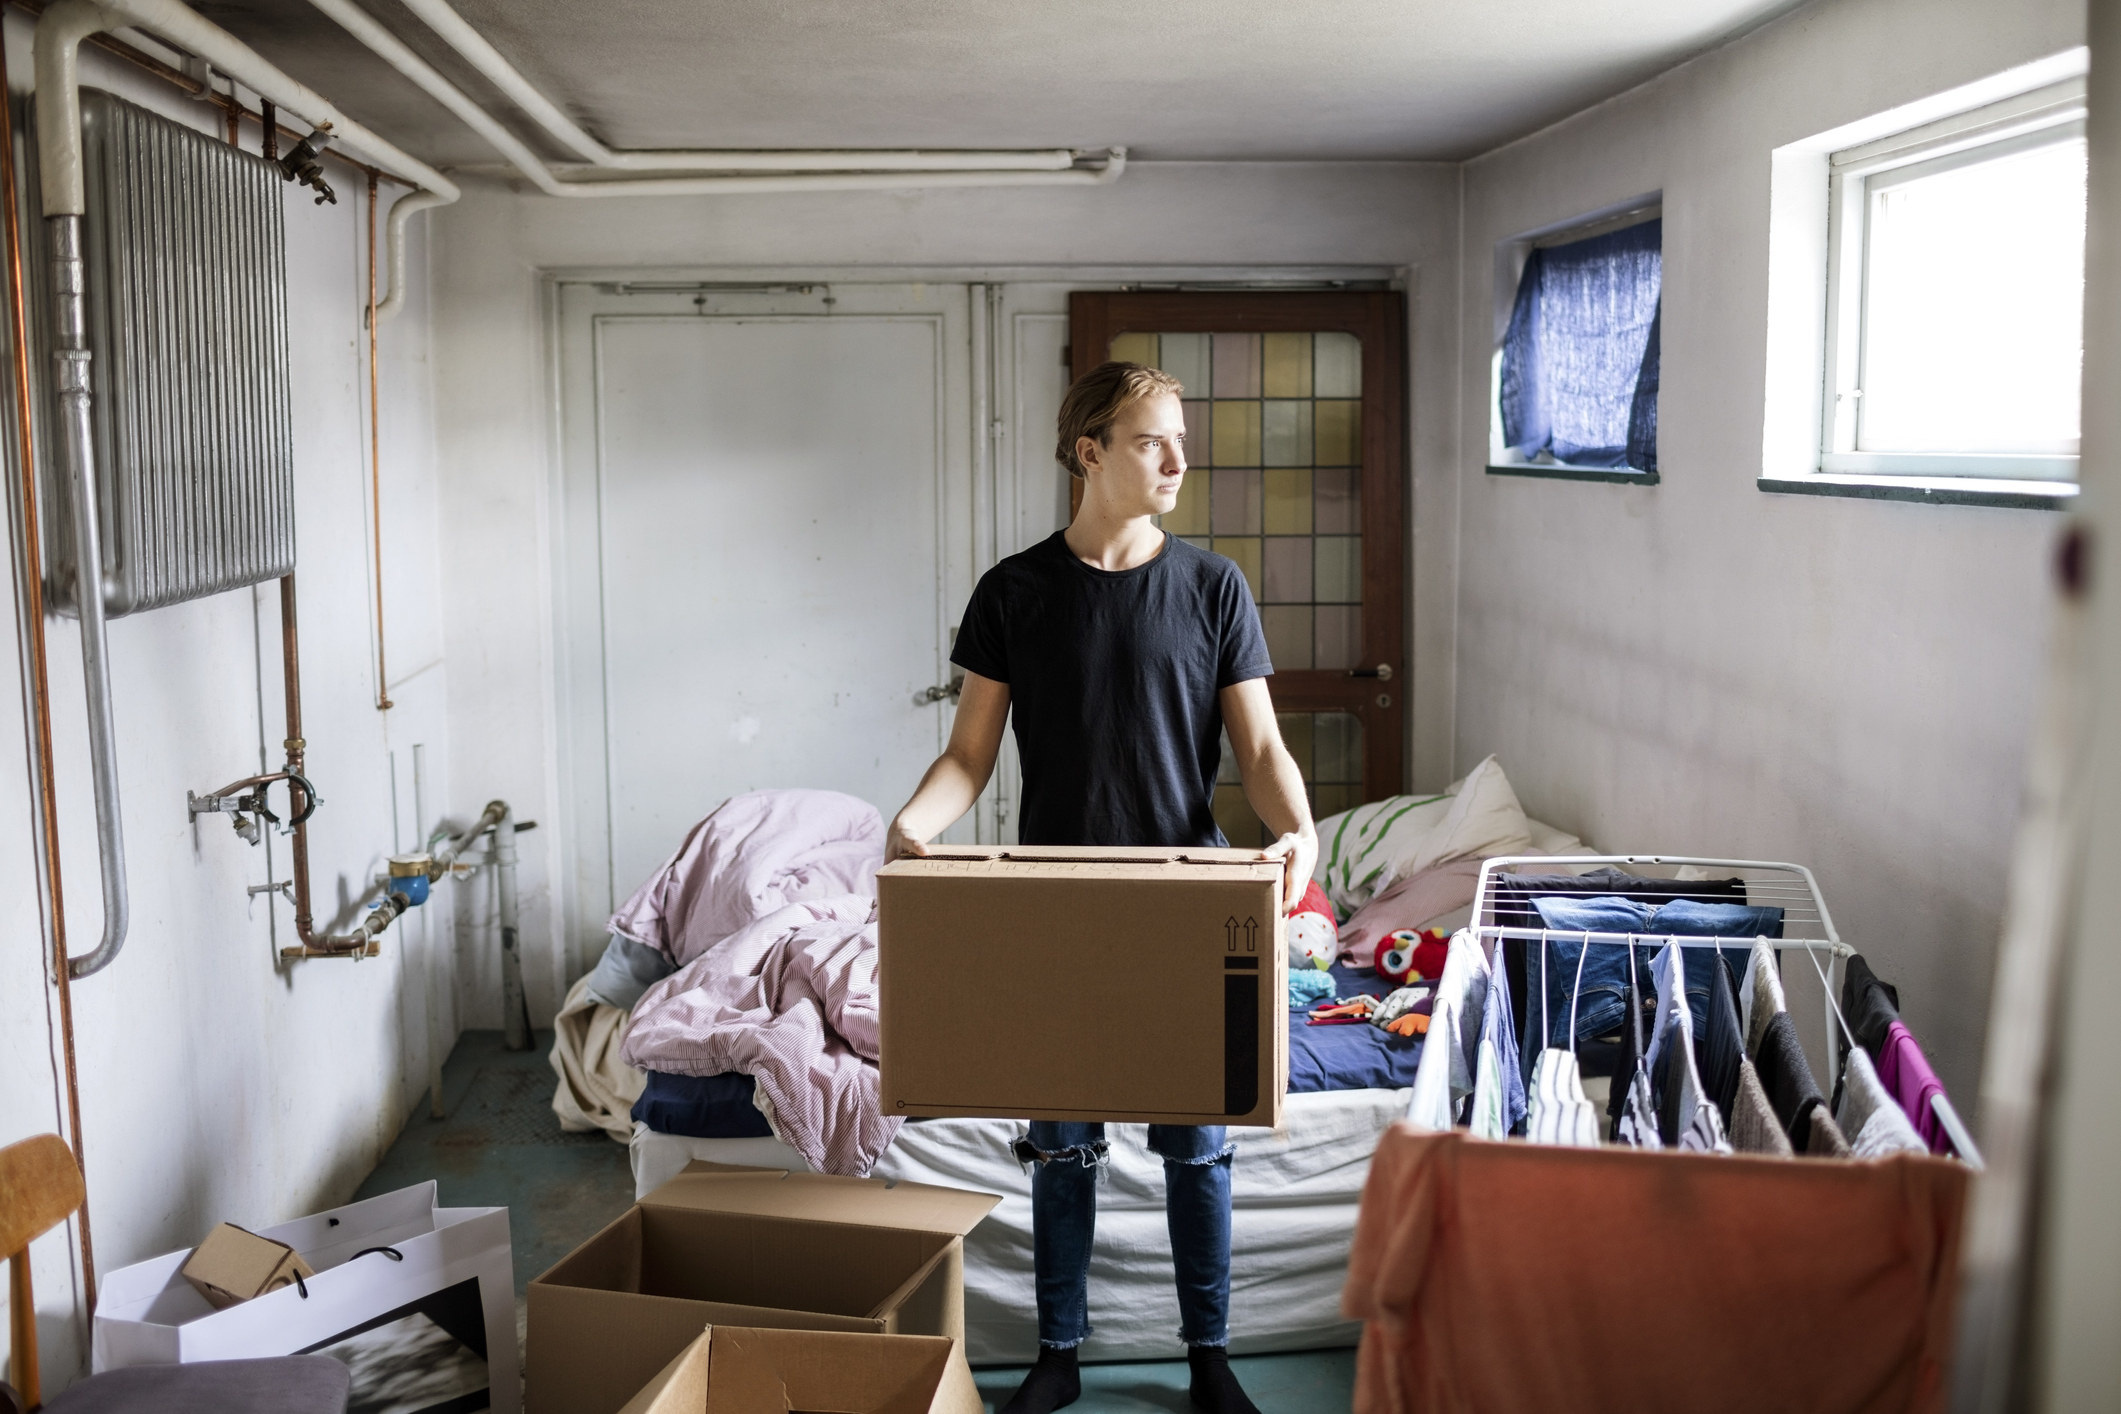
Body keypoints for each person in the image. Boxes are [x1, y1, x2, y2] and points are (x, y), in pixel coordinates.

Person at [886, 361, 1318, 1414]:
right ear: (1090, 451)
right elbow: (968, 756)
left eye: (1179, 439)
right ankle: (1058, 1356)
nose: (1178, 459)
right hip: (1056, 909)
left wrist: (1298, 827)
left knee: (1197, 1152)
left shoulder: (1215, 587)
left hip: (1185, 898)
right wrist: (912, 821)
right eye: (1150, 441)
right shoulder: (1015, 591)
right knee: (1063, 1151)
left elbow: (1258, 746)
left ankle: (1208, 1357)